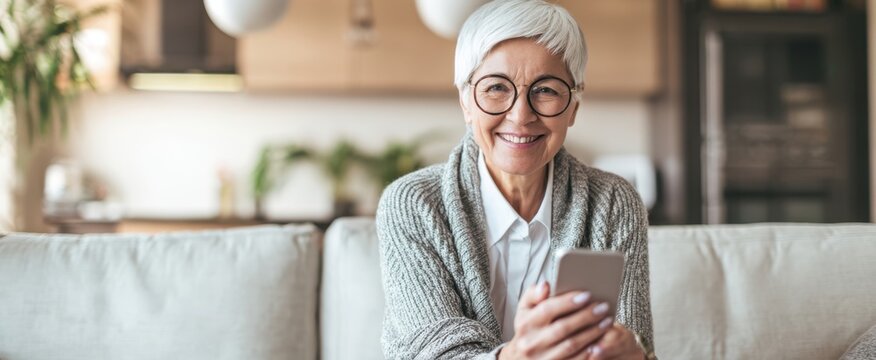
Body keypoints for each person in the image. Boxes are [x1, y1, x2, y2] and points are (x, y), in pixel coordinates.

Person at [376, 1, 655, 359]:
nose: (521, 116)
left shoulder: (614, 203)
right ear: (466, 101)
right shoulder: (413, 205)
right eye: (496, 88)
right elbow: (433, 352)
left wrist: (633, 354)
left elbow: (638, 344)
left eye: (546, 90)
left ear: (573, 107)